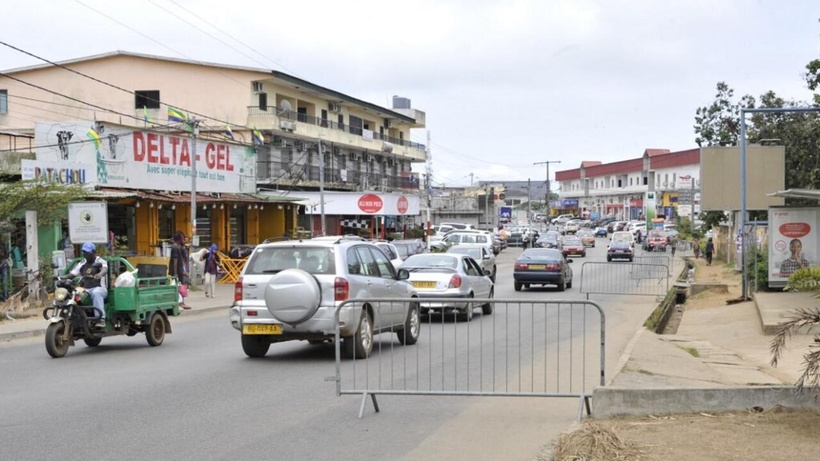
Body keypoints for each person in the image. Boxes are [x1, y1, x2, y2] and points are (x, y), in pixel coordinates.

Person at [68, 242, 108, 328]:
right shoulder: (82, 263)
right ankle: (73, 317)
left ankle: (100, 319)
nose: (85, 254)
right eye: (84, 252)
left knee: (96, 292)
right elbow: (72, 274)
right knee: (72, 293)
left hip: (99, 288)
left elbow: (104, 269)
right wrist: (60, 277)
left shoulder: (100, 261)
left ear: (94, 252)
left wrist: (100, 274)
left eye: (87, 252)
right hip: (85, 290)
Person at [169, 231, 191, 310]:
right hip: (177, 272)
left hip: (180, 271)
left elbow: (183, 259)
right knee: (179, 288)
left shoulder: (179, 247)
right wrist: (175, 273)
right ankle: (180, 303)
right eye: (183, 238)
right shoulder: (175, 248)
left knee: (181, 287)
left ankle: (181, 303)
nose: (184, 240)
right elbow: (175, 261)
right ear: (180, 239)